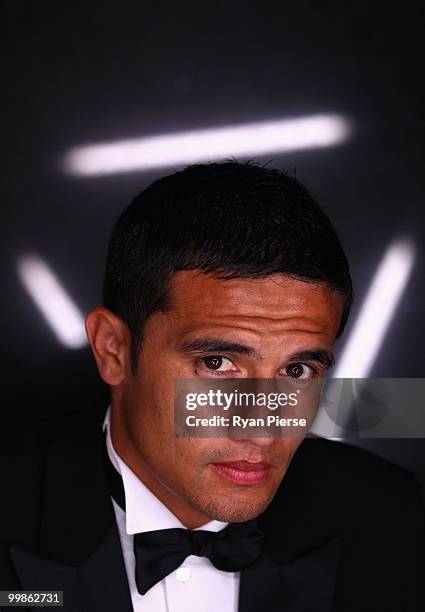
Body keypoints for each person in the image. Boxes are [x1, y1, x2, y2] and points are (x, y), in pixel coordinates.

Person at [0, 161, 423, 612]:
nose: (263, 431)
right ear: (114, 350)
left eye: (297, 371)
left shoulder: (390, 516)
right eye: (218, 363)